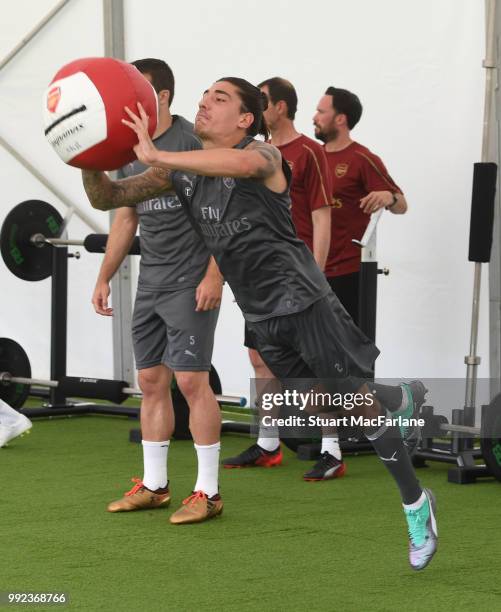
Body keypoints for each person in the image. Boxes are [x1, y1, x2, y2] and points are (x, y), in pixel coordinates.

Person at [82, 77, 437, 570]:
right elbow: (108, 197)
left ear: (247, 119)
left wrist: (158, 154)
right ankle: (399, 399)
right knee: (318, 406)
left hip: (305, 302)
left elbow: (242, 164)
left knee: (359, 411)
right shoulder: (181, 172)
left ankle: (417, 506)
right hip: (262, 312)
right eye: (204, 96)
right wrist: (86, 155)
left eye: (219, 98)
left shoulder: (266, 156)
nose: (204, 103)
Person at [92, 59, 224, 525]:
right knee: (150, 382)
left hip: (191, 280)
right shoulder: (131, 146)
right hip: (151, 281)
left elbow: (221, 217)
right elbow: (126, 215)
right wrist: (105, 275)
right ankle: (154, 486)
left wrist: (215, 275)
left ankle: (208, 492)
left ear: (162, 96)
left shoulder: (191, 143)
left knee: (191, 382)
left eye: (140, 92)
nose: (131, 101)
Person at [221, 77, 338, 478]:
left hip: (297, 279)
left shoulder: (308, 152)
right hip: (257, 279)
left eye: (262, 101)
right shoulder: (241, 152)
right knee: (259, 359)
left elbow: (323, 216)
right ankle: (268, 443)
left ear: (280, 107)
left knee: (314, 364)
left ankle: (333, 448)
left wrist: (316, 276)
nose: (255, 106)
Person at [313, 86, 407, 324]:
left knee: (350, 351)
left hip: (348, 273)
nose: (314, 117)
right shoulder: (312, 156)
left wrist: (389, 197)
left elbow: (402, 205)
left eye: (321, 111)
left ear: (340, 119)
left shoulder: (362, 159)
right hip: (310, 269)